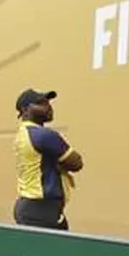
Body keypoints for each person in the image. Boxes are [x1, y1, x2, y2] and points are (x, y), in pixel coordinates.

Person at [13, 89, 83, 230]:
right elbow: (76, 163)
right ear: (25, 109)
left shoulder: (22, 133)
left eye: (48, 103)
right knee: (59, 250)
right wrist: (59, 163)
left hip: (27, 207)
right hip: (42, 210)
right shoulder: (44, 135)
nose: (48, 106)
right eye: (41, 103)